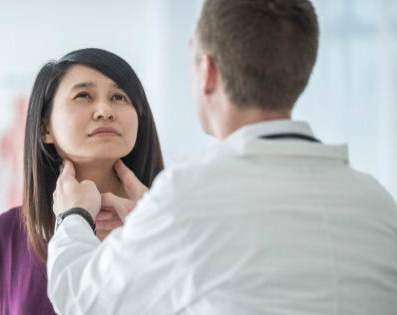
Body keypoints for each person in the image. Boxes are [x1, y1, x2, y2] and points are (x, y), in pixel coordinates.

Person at [47, 0, 397, 314]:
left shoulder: (189, 196)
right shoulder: (379, 205)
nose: (105, 111)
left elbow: (81, 302)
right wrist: (152, 222)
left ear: (208, 72)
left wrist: (73, 215)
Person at [0, 48, 164, 315]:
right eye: (83, 95)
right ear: (45, 128)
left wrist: (157, 229)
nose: (105, 110)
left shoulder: (168, 223)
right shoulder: (9, 233)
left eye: (119, 97)